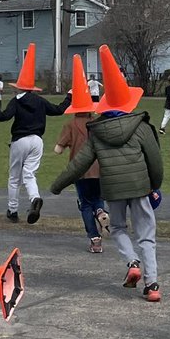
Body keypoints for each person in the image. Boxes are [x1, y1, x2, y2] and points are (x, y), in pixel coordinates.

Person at [51, 46, 164, 301]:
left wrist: (57, 186)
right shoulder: (143, 127)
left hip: (113, 190)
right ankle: (152, 284)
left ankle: (131, 262)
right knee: (146, 235)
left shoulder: (97, 131)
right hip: (140, 186)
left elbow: (79, 164)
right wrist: (154, 186)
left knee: (118, 227)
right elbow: (155, 161)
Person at [0, 44, 69, 224]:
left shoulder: (16, 102)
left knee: (14, 177)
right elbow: (58, 110)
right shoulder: (40, 101)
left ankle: (13, 210)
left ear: (19, 88)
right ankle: (34, 198)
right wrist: (69, 97)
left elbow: (4, 117)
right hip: (37, 141)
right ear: (32, 88)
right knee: (30, 174)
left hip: (20, 141)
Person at [53, 60, 110, 253]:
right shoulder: (97, 123)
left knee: (85, 204)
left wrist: (60, 147)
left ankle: (95, 239)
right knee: (97, 198)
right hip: (99, 168)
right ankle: (101, 212)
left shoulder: (70, 125)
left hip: (80, 170)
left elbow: (59, 148)